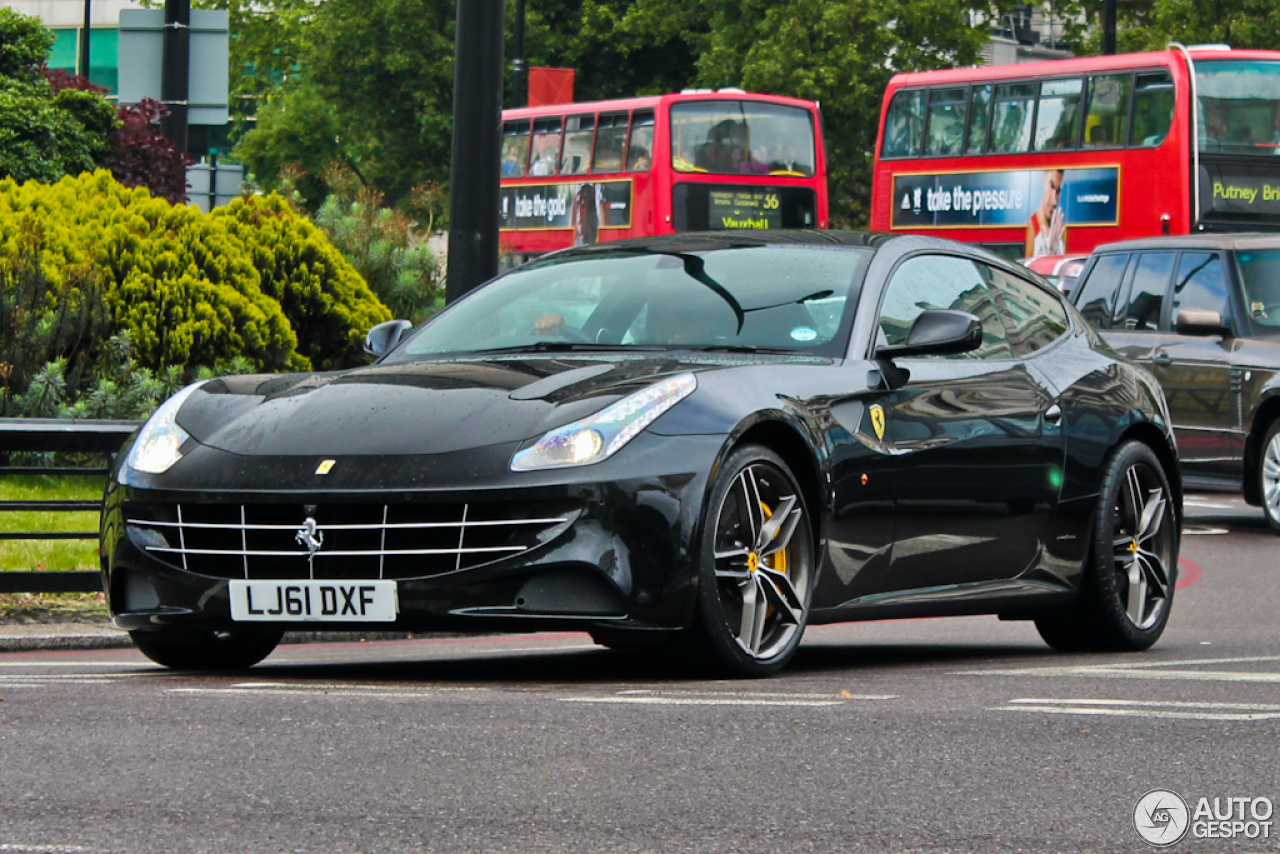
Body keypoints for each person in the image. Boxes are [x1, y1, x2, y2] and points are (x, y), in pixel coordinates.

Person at [1025, 169, 1067, 259]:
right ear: (1044, 176)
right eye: (1051, 186)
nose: (1054, 201)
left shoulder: (1061, 229)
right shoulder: (1031, 226)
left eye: (1058, 191)